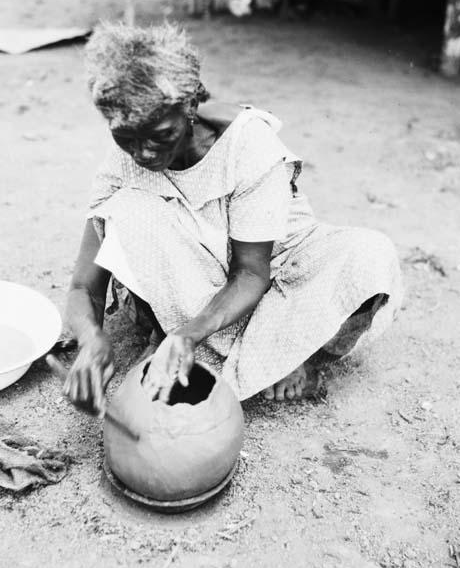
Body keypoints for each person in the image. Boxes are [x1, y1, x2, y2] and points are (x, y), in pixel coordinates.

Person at [57, 22, 402, 414]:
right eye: (127, 138)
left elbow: (252, 273)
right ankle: (261, 357)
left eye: (160, 135)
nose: (144, 154)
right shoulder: (123, 161)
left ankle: (262, 354)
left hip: (270, 267)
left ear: (190, 105)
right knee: (128, 210)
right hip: (193, 281)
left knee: (368, 256)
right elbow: (84, 287)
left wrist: (189, 334)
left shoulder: (247, 143)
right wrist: (90, 337)